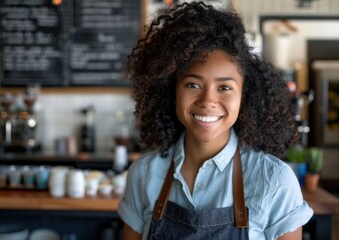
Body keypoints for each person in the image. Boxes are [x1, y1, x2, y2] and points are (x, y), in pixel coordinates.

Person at [118, 2, 313, 240]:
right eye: (193, 84)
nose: (208, 100)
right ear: (171, 90)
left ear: (245, 96)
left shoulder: (275, 180)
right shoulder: (143, 174)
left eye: (225, 87)